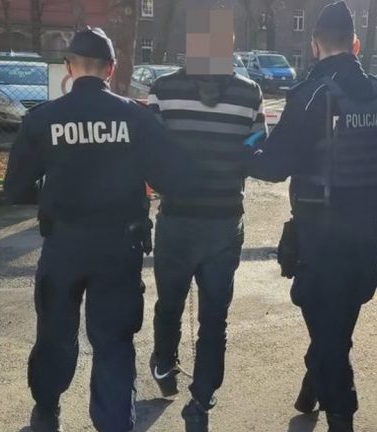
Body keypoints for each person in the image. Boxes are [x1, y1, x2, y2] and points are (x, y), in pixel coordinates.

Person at [3, 28, 189, 432]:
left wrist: (51, 192)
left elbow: (14, 189)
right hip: (119, 248)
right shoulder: (136, 117)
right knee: (114, 341)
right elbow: (172, 178)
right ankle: (114, 424)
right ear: (111, 68)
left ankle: (46, 411)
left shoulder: (43, 119)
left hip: (63, 245)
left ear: (69, 67)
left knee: (55, 333)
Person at [247, 2, 377, 431]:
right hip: (368, 235)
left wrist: (242, 152)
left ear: (314, 45)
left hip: (319, 237)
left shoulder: (309, 96)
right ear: (355, 45)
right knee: (337, 325)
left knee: (327, 329)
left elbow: (273, 166)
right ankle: (312, 388)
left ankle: (342, 413)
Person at [145, 7, 267, 432]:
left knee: (169, 303)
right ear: (229, 46)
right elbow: (257, 147)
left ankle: (164, 364)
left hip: (177, 219)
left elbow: (150, 153)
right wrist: (231, 161)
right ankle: (201, 399)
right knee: (215, 317)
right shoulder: (250, 94)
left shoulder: (162, 89)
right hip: (224, 221)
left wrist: (171, 182)